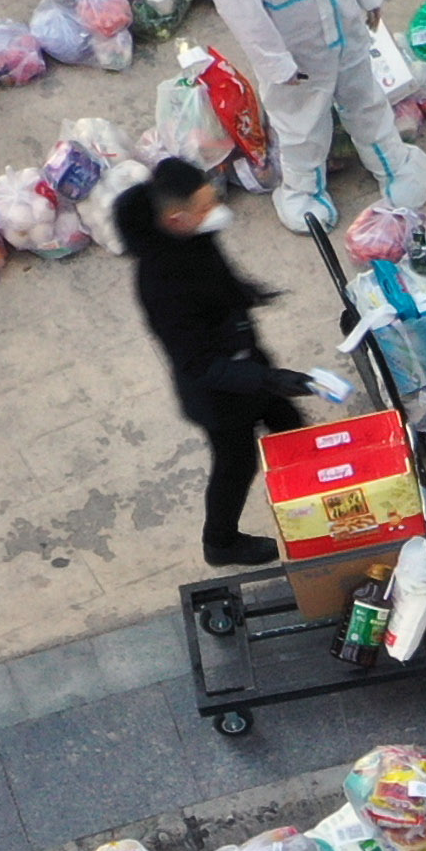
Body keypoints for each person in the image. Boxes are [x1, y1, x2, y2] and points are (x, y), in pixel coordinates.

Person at [113, 160, 336, 568]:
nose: (215, 210)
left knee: (291, 429)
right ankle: (220, 542)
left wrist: (246, 294)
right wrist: (267, 378)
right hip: (219, 395)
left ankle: (326, 504)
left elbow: (217, 274)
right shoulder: (161, 286)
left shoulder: (190, 235)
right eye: (205, 207)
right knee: (237, 463)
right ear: (177, 219)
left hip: (247, 361)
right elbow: (197, 364)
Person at [194, 0, 426, 232]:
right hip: (293, 39)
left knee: (365, 99)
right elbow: (237, 1)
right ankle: (302, 190)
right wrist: (275, 61)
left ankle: (394, 163)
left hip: (342, 16)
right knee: (300, 123)